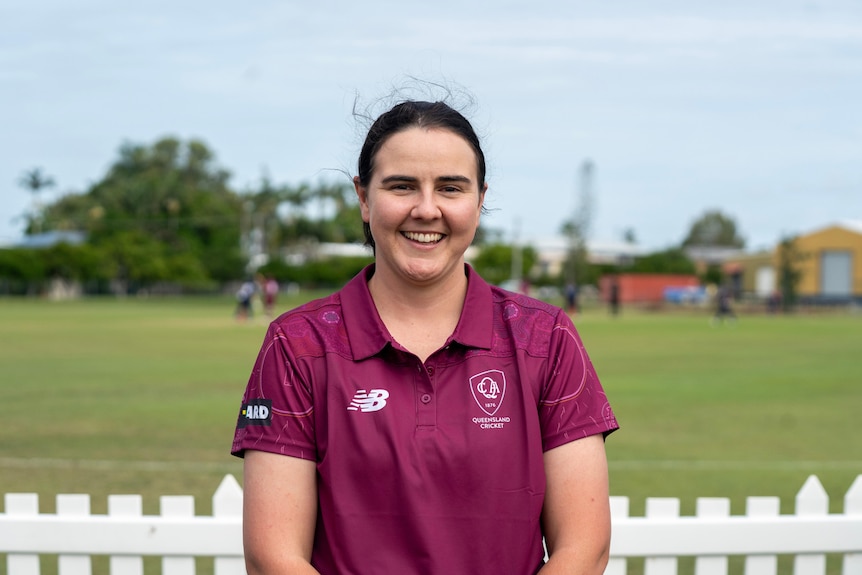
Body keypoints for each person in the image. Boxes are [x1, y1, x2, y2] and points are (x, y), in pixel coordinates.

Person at [232, 99, 619, 575]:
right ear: (363, 197)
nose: (427, 209)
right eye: (402, 186)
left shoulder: (545, 337)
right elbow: (273, 558)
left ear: (479, 201)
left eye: (451, 188)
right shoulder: (297, 343)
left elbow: (584, 548)